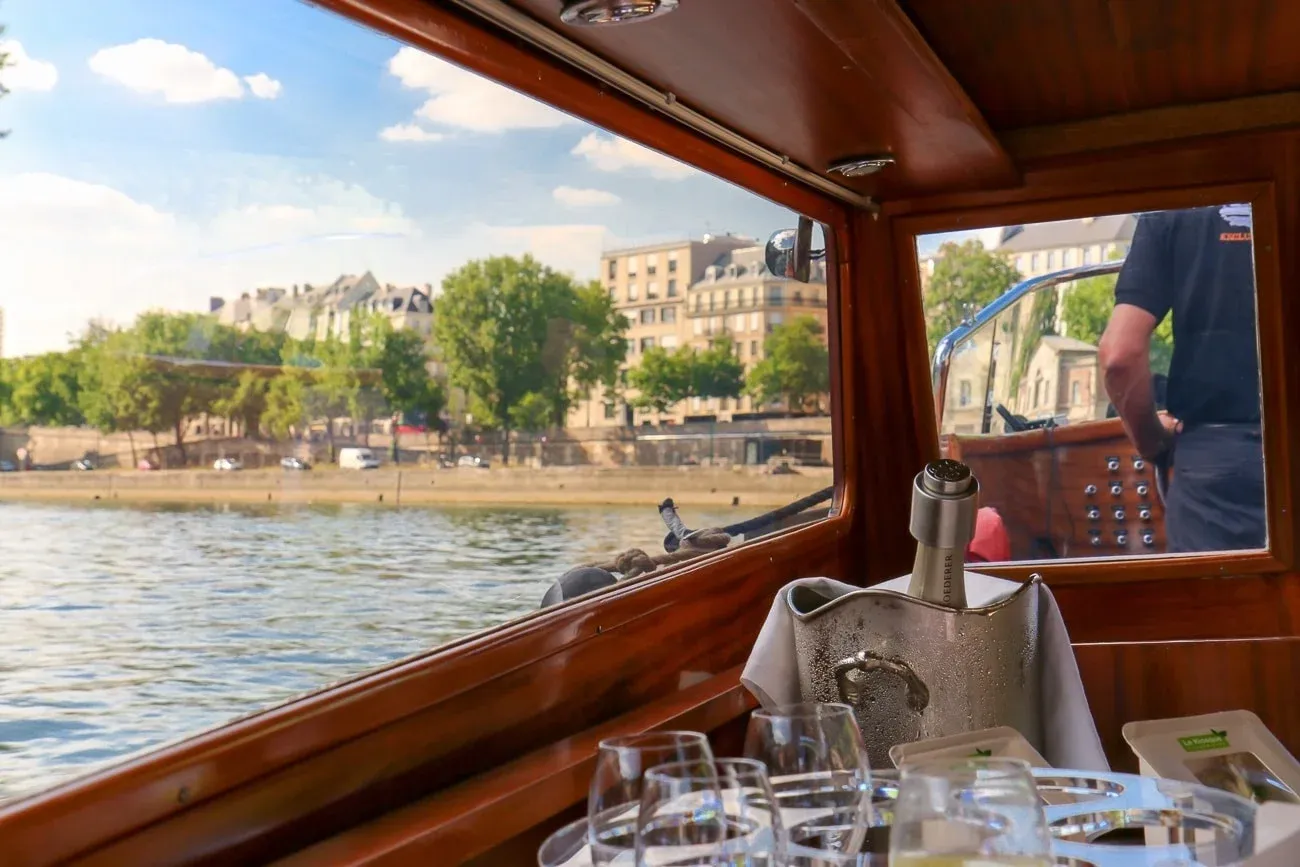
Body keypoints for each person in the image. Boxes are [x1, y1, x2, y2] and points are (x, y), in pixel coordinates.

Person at [1098, 203, 1264, 553]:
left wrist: (1152, 443)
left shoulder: (1172, 205)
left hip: (1215, 468)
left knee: (1215, 607)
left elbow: (1119, 356)